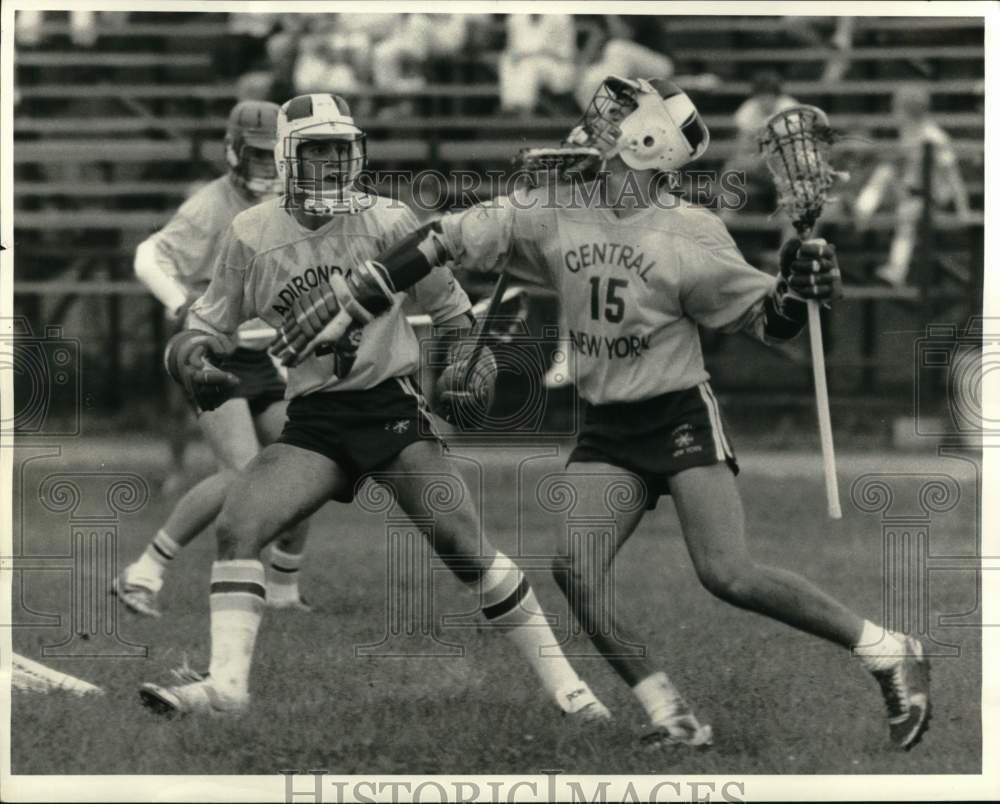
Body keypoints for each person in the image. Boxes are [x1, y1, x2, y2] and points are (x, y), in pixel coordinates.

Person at [273, 78, 933, 751]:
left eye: (616, 122)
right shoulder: (555, 206)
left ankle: (886, 650)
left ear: (649, 142)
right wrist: (364, 290)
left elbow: (774, 322)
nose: (596, 131)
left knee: (728, 573)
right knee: (575, 570)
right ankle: (671, 717)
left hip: (676, 414)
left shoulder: (691, 232)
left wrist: (800, 282)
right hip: (607, 426)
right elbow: (440, 238)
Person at [138, 93, 610, 724]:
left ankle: (571, 690)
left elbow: (452, 312)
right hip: (315, 420)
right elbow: (209, 323)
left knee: (463, 544)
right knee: (240, 526)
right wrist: (191, 354)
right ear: (288, 157)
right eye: (318, 150)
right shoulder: (249, 233)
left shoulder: (387, 220)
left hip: (389, 408)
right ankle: (227, 689)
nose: (334, 163)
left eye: (341, 149)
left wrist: (473, 358)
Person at [113, 101, 312, 617]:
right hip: (210, 352)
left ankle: (285, 592)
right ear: (233, 153)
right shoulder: (208, 207)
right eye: (260, 157)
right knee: (241, 471)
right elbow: (147, 256)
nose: (270, 169)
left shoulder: (290, 206)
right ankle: (144, 573)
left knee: (309, 458)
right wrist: (181, 305)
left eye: (278, 158)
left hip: (259, 354)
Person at [854, 84, 972, 288]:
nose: (892, 112)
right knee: (885, 171)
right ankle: (862, 210)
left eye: (895, 107)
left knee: (907, 215)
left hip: (932, 196)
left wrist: (964, 209)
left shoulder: (933, 136)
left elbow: (953, 176)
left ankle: (897, 271)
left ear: (906, 110)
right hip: (910, 189)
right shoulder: (907, 131)